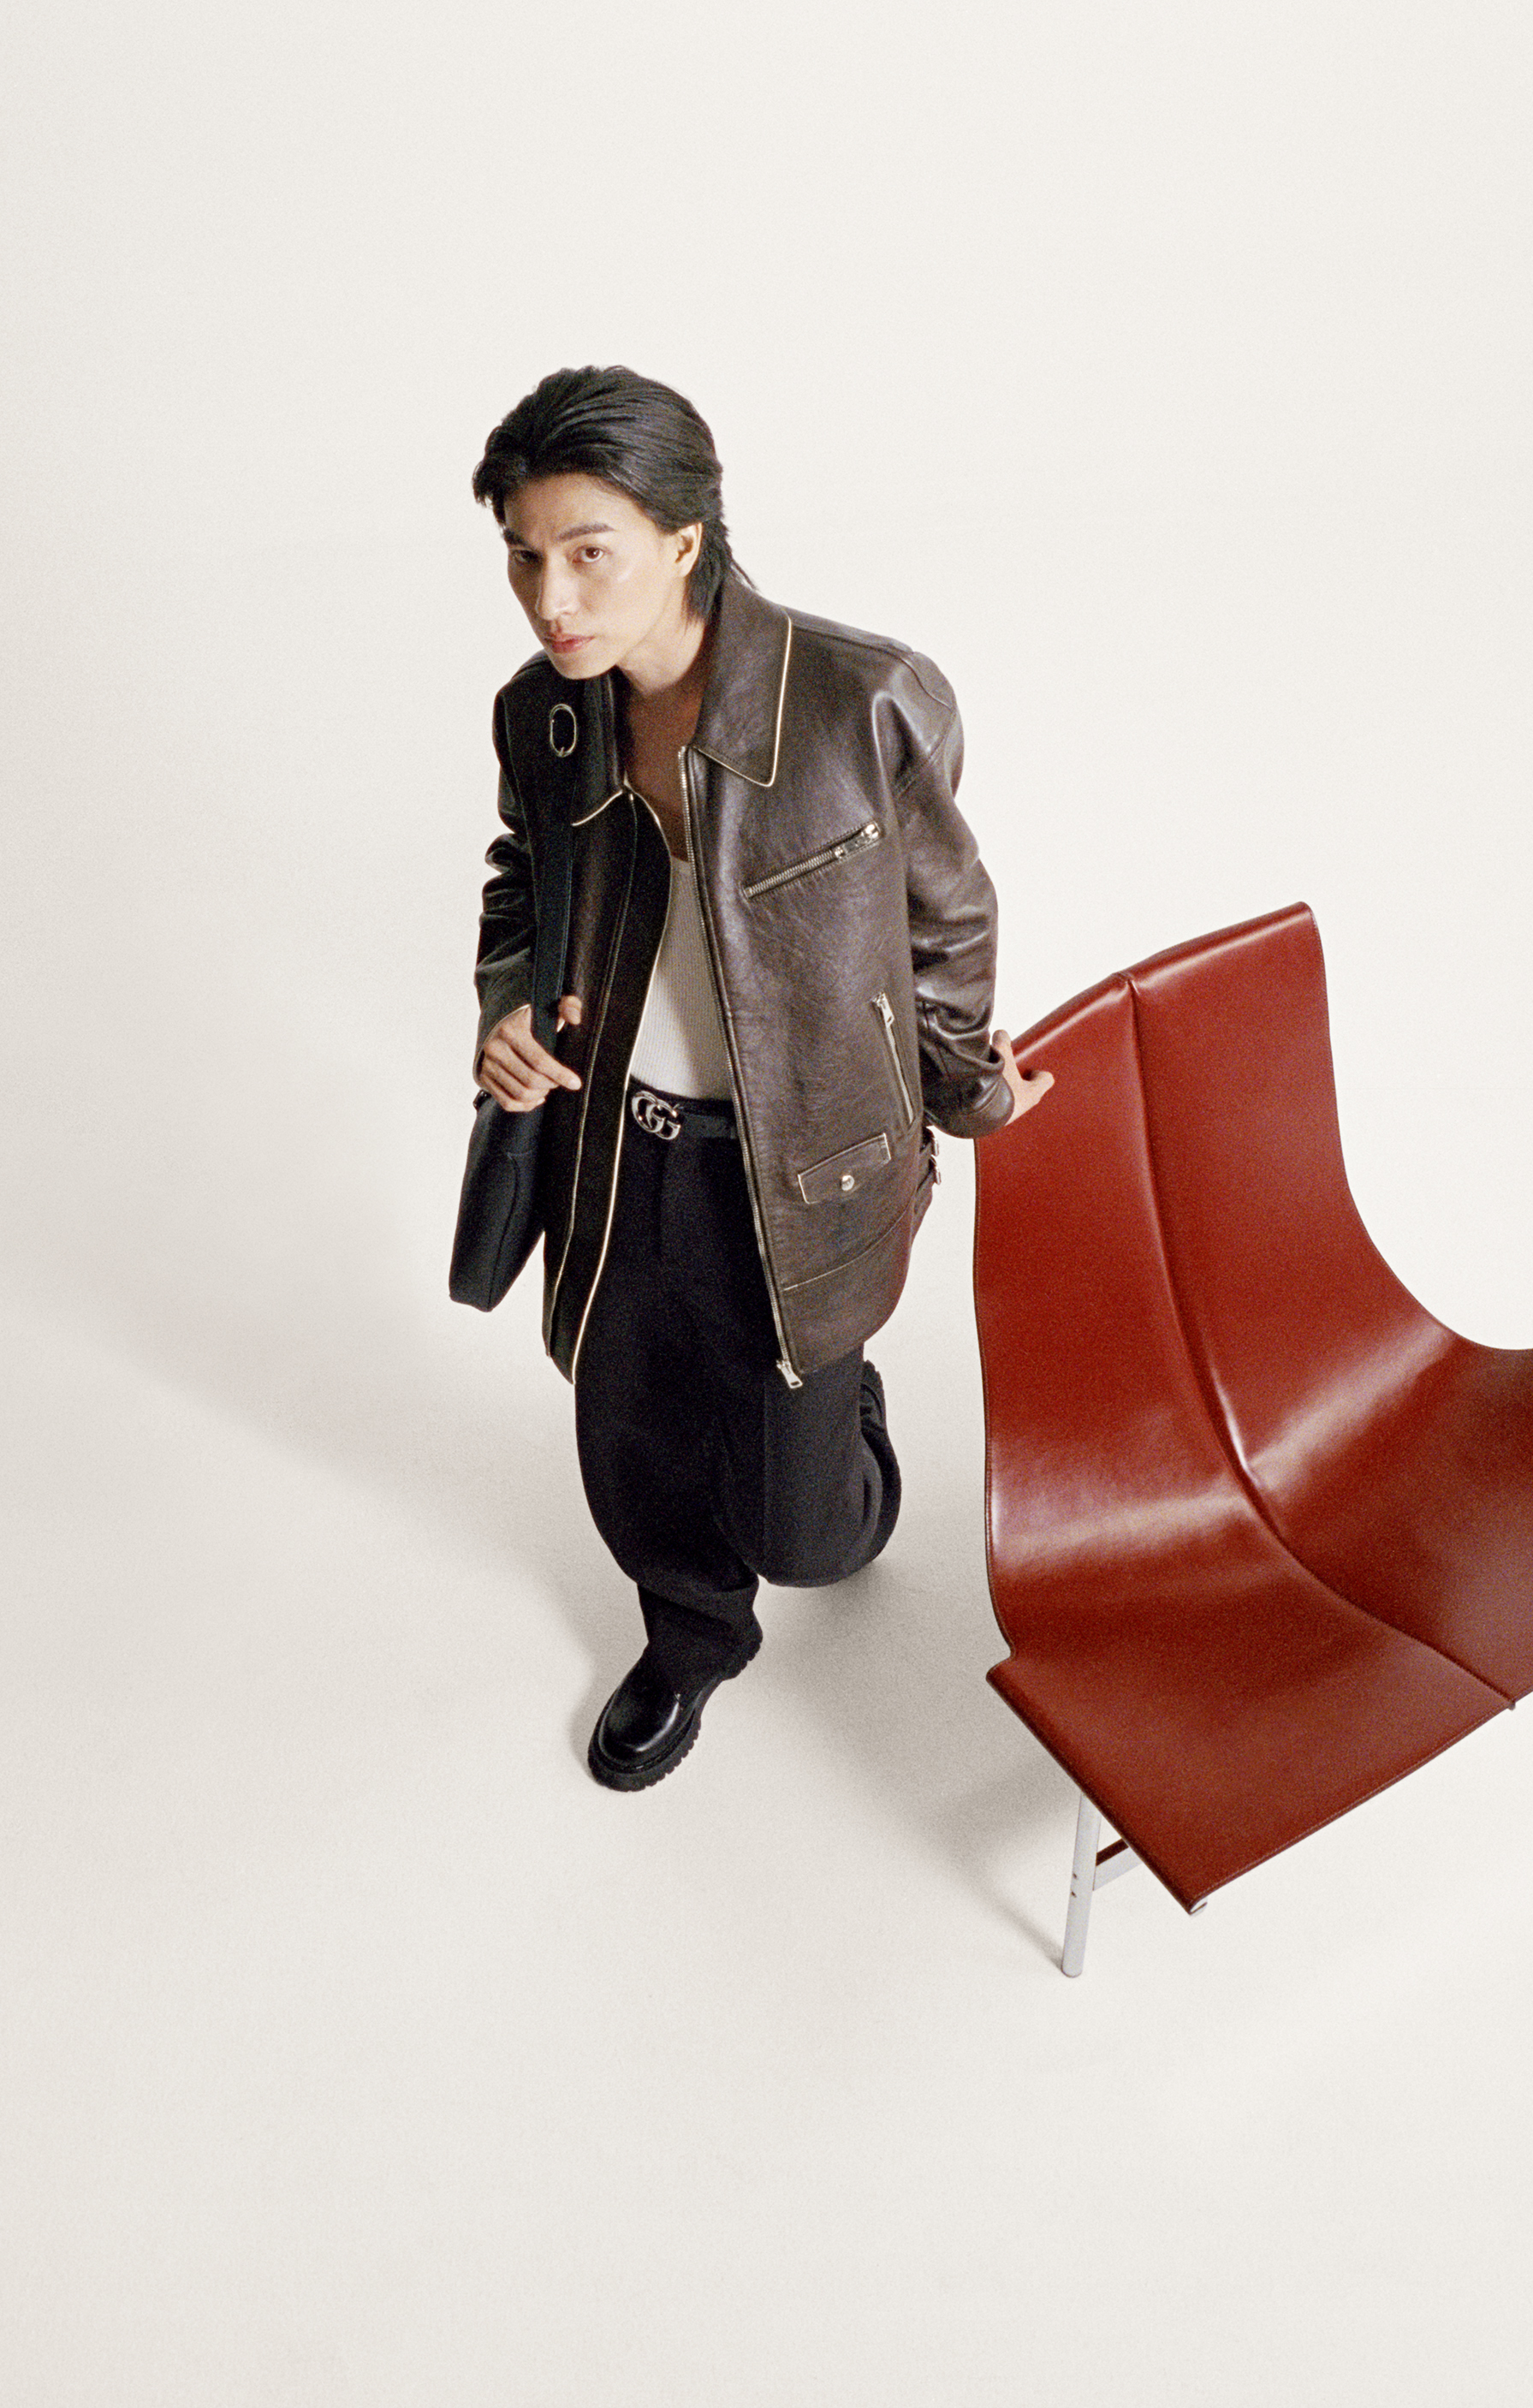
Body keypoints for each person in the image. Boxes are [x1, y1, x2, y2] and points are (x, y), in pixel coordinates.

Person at [466, 366, 1051, 1792]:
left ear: (684, 538)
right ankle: (688, 1637)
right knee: (631, 1439)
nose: (551, 597)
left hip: (801, 1172)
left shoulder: (862, 700)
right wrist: (508, 1005)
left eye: (587, 551)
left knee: (809, 1535)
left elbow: (946, 924)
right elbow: (517, 882)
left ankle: (844, 1453)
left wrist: (967, 1087)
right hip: (616, 1153)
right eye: (524, 557)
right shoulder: (545, 719)